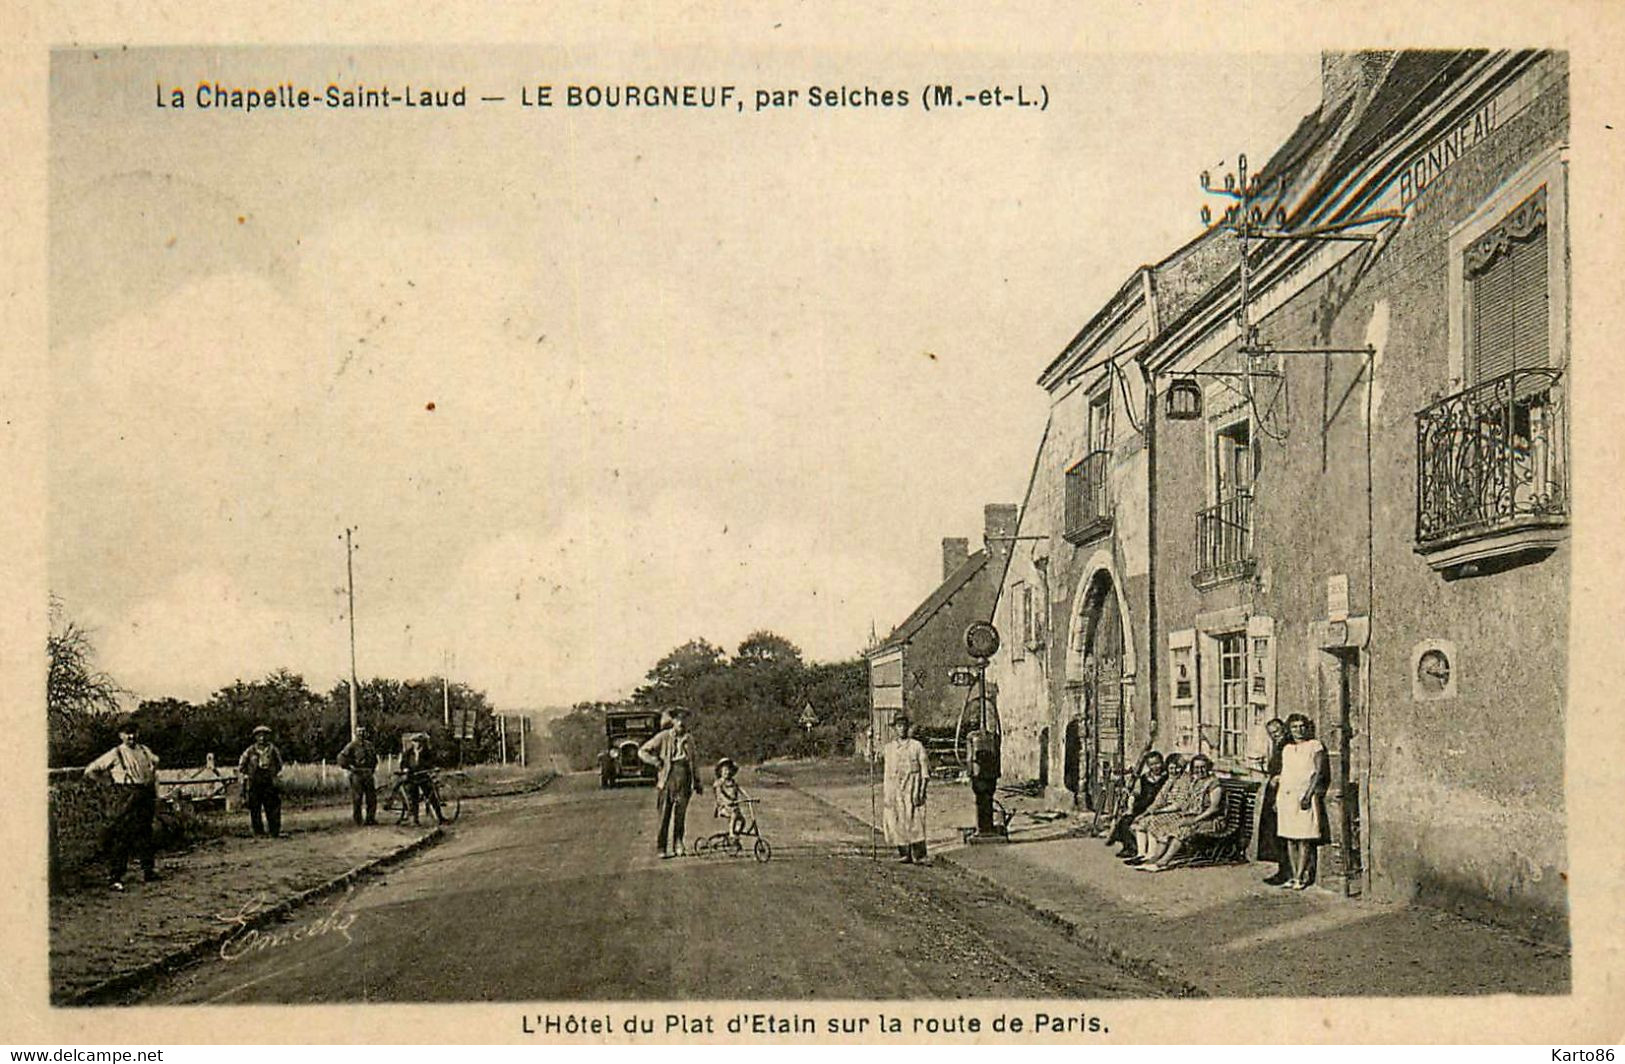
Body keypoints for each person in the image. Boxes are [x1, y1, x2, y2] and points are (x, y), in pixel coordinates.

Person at [83, 716, 161, 891]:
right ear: (120, 736)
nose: (131, 737)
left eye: (133, 733)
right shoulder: (115, 753)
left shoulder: (144, 750)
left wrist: (151, 776)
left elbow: (156, 762)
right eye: (127, 734)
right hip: (126, 795)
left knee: (146, 834)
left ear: (138, 733)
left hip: (145, 794)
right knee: (122, 836)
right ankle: (115, 877)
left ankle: (148, 871)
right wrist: (108, 783)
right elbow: (91, 770)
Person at [1135, 753, 1227, 871]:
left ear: (1208, 767)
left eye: (1203, 767)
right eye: (1197, 768)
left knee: (1183, 829)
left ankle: (1163, 862)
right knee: (1167, 826)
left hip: (1211, 820)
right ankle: (1155, 858)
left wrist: (1195, 819)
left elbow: (1214, 808)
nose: (1200, 770)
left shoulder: (1214, 783)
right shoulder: (1195, 782)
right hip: (1194, 816)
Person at [638, 707, 703, 858]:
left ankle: (678, 844)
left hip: (685, 778)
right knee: (664, 815)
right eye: (678, 719)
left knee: (680, 815)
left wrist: (697, 781)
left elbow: (694, 762)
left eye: (683, 719)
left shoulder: (689, 739)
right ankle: (662, 847)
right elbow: (642, 751)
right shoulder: (663, 736)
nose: (681, 722)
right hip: (667, 778)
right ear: (673, 721)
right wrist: (655, 761)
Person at [1277, 713, 1329, 890]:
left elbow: (1318, 772)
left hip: (1304, 795)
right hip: (1287, 795)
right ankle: (1293, 876)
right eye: (1294, 727)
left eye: (1301, 726)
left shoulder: (1315, 746)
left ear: (1307, 728)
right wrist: (1278, 798)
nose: (1299, 730)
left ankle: (1301, 876)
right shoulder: (1287, 749)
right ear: (1289, 730)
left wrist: (1308, 794)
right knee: (1290, 837)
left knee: (1304, 838)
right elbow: (1285, 774)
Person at [882, 711, 931, 864]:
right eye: (898, 726)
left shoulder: (916, 746)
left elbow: (925, 771)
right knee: (897, 818)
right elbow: (887, 772)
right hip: (896, 788)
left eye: (904, 726)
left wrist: (921, 790)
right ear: (895, 728)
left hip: (912, 787)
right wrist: (887, 793)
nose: (901, 729)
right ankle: (904, 853)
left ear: (908, 728)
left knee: (915, 820)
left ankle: (920, 855)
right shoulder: (889, 748)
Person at [1125, 752, 1187, 865]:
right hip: (1166, 811)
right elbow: (1159, 799)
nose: (1174, 771)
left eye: (1177, 768)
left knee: (1153, 821)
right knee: (1142, 821)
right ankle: (1141, 854)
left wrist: (1157, 811)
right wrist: (1147, 812)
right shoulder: (1170, 780)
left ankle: (1151, 855)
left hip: (1179, 813)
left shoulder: (1184, 781)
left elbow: (1179, 805)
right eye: (1171, 768)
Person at [1105, 750, 1167, 858]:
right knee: (1125, 821)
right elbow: (1135, 793)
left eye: (1157, 763)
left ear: (1162, 762)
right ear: (1148, 766)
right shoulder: (1144, 778)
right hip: (1141, 806)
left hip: (1155, 807)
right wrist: (1131, 805)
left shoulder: (1166, 778)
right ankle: (1130, 847)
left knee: (1141, 822)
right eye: (1152, 764)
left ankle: (1139, 849)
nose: (1155, 767)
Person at [1255, 718, 1291, 885]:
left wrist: (1279, 778)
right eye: (1272, 733)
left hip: (1281, 792)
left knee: (1280, 832)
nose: (1275, 735)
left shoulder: (1288, 746)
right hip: (1273, 792)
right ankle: (1282, 868)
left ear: (1284, 728)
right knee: (1273, 832)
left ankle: (1285, 871)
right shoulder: (1278, 746)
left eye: (1278, 731)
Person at [238, 724, 284, 838]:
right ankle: (258, 832)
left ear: (268, 737)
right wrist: (248, 775)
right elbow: (242, 765)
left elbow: (279, 765)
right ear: (256, 737)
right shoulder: (250, 751)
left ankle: (274, 831)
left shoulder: (273, 750)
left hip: (269, 782)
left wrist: (272, 774)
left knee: (272, 807)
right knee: (255, 807)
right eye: (259, 736)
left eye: (264, 735)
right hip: (255, 782)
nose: (262, 738)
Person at [335, 725, 379, 826]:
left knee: (371, 798)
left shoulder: (370, 745)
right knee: (357, 798)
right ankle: (358, 820)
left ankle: (370, 819)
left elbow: (375, 759)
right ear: (356, 734)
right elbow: (341, 757)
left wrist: (372, 769)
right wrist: (349, 767)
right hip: (357, 775)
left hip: (368, 774)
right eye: (359, 732)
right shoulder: (351, 745)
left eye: (363, 732)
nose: (361, 734)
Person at [399, 732, 445, 825]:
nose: (417, 744)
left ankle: (440, 817)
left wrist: (432, 768)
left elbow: (432, 762)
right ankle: (415, 820)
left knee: (432, 797)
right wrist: (405, 769)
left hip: (423, 776)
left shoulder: (427, 752)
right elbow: (403, 763)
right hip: (412, 777)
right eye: (415, 742)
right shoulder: (408, 752)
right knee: (414, 798)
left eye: (419, 742)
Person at [714, 757, 746, 841]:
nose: (727, 772)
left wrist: (748, 797)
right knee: (733, 815)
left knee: (742, 820)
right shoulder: (719, 783)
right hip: (724, 807)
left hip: (734, 807)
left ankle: (736, 835)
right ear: (720, 772)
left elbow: (740, 789)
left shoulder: (733, 782)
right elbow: (720, 795)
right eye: (724, 770)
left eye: (728, 770)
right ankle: (731, 833)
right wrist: (728, 801)